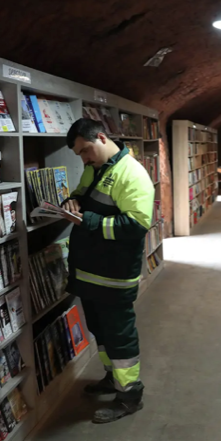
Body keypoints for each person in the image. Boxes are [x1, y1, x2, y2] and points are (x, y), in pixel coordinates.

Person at [61, 117, 156, 423]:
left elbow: (136, 225)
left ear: (101, 137)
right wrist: (72, 201)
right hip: (90, 272)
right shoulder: (95, 169)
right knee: (99, 330)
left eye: (86, 151)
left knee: (120, 335)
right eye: (80, 155)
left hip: (114, 276)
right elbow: (82, 196)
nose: (85, 159)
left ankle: (130, 395)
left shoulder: (132, 173)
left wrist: (87, 221)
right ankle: (112, 376)